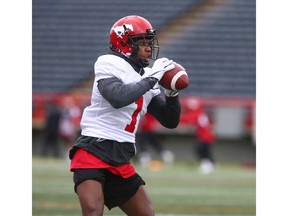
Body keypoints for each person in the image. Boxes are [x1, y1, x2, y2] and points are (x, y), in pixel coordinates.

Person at [69, 15, 181, 215]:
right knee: (93, 212)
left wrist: (172, 93)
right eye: (142, 43)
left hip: (121, 156)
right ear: (125, 44)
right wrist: (152, 78)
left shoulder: (144, 75)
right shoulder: (108, 62)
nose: (148, 48)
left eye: (150, 42)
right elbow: (118, 97)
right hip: (94, 148)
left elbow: (169, 120)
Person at [181, 98, 216, 174]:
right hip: (207, 135)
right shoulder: (201, 113)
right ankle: (211, 164)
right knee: (206, 151)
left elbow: (185, 119)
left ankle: (207, 164)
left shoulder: (196, 114)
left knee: (199, 149)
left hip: (205, 135)